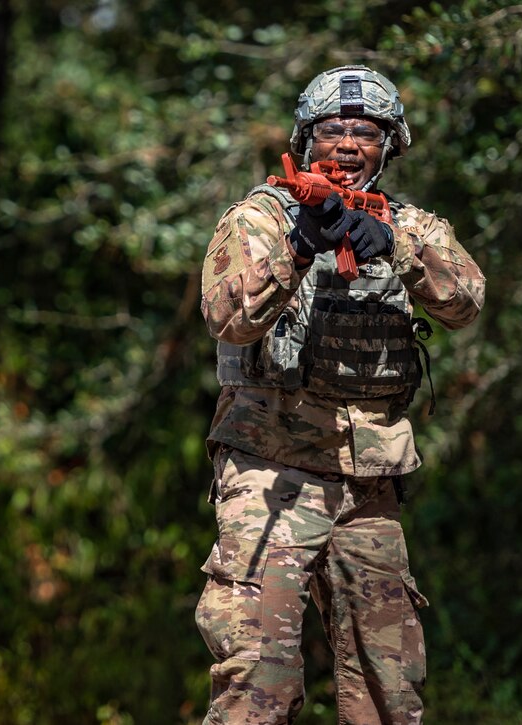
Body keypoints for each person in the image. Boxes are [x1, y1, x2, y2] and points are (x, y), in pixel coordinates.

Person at [195, 65, 485, 724]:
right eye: (333, 128)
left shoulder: (411, 223)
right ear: (306, 137)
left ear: (393, 144)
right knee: (257, 677)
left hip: (370, 486)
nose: (348, 143)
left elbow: (468, 299)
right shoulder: (262, 216)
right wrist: (299, 247)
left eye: (366, 130)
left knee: (390, 682)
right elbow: (227, 316)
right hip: (271, 471)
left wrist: (400, 251)